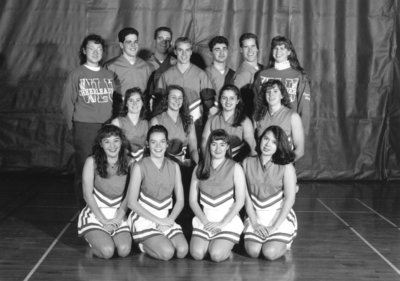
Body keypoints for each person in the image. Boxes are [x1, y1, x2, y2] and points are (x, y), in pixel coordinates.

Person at [61, 34, 118, 208]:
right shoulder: (76, 74)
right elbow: (66, 103)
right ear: (84, 51)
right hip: (85, 127)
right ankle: (84, 207)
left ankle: (103, 204)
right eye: (92, 49)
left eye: (99, 49)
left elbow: (115, 101)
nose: (95, 52)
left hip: (106, 127)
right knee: (85, 167)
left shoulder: (109, 75)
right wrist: (73, 128)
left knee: (106, 166)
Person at [127, 125, 188, 260]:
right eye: (153, 142)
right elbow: (131, 203)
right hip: (144, 218)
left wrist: (169, 220)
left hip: (165, 218)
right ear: (148, 144)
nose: (158, 146)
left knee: (182, 250)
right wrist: (157, 220)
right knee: (167, 253)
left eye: (162, 141)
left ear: (167, 144)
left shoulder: (174, 166)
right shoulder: (139, 166)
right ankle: (142, 243)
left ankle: (155, 241)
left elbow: (180, 201)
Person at [189, 129, 246, 262]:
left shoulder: (235, 167)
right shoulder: (199, 168)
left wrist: (222, 223)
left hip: (227, 220)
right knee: (197, 254)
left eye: (222, 144)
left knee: (215, 255)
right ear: (209, 146)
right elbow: (192, 200)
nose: (218, 148)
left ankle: (225, 246)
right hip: (206, 218)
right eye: (214, 144)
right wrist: (204, 221)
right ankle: (215, 243)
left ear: (227, 147)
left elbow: (240, 201)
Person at [77, 125, 133, 259]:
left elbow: (130, 196)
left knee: (124, 250)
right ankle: (94, 239)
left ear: (122, 142)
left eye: (116, 140)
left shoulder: (131, 162)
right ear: (101, 144)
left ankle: (104, 238)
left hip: (118, 213)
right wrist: (103, 221)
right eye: (107, 141)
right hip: (96, 214)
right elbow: (87, 194)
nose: (112, 145)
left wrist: (117, 219)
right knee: (108, 251)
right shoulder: (92, 161)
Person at [242, 125, 297, 260]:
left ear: (279, 146)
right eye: (266, 139)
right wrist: (254, 222)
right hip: (256, 216)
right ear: (260, 140)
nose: (268, 144)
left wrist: (274, 227)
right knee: (253, 251)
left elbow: (290, 199)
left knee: (269, 253)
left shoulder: (286, 167)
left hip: (278, 217)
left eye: (274, 142)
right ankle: (265, 238)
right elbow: (246, 197)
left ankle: (285, 241)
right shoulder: (247, 162)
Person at [157, 37, 213, 140]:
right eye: (180, 50)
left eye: (187, 50)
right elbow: (159, 105)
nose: (184, 54)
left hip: (196, 124)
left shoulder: (201, 74)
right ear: (175, 51)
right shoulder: (166, 75)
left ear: (191, 52)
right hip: (171, 124)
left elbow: (210, 106)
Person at [253, 35, 310, 135]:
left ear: (289, 52)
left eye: (282, 48)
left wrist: (300, 133)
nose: (278, 51)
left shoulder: (298, 76)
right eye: (275, 48)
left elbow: (304, 109)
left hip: (288, 129)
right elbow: (255, 103)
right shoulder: (262, 75)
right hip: (265, 128)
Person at [201, 84, 256, 162]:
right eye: (224, 98)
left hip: (237, 163)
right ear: (220, 99)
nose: (228, 101)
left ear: (237, 101)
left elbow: (252, 148)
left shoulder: (245, 121)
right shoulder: (212, 120)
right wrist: (208, 163)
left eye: (232, 98)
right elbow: (204, 144)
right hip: (215, 162)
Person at [253, 79, 304, 161]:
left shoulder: (293, 116)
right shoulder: (258, 116)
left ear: (282, 95)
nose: (271, 94)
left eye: (275, 91)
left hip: (282, 163)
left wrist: (285, 164)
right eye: (268, 92)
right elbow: (253, 145)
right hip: (261, 163)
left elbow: (300, 150)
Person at [150, 85, 199, 166]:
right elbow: (153, 150)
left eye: (180, 98)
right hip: (162, 165)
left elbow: (193, 149)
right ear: (166, 99)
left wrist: (195, 165)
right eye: (173, 97)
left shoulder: (188, 121)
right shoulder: (156, 120)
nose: (177, 100)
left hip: (183, 166)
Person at [105, 27, 154, 103]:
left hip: (141, 111)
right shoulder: (110, 67)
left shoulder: (147, 67)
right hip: (119, 110)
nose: (133, 45)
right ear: (121, 45)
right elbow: (106, 95)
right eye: (129, 42)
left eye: (135, 42)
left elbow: (150, 93)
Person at [111, 87, 149, 162]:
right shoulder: (117, 123)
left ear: (142, 103)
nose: (135, 103)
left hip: (142, 164)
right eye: (131, 100)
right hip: (122, 163)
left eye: (138, 100)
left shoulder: (147, 124)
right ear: (126, 104)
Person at [233, 33, 263, 118]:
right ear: (241, 50)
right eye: (246, 47)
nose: (250, 51)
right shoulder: (242, 75)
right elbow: (240, 105)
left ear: (257, 48)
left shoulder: (263, 69)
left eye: (253, 46)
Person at [147, 26, 176, 112]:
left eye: (168, 39)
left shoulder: (177, 64)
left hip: (172, 107)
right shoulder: (145, 65)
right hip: (151, 109)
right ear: (154, 40)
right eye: (160, 38)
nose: (164, 41)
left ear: (171, 42)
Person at [205, 36, 236, 114]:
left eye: (224, 49)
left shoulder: (233, 74)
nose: (221, 53)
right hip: (210, 116)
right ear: (210, 52)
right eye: (217, 49)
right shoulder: (204, 74)